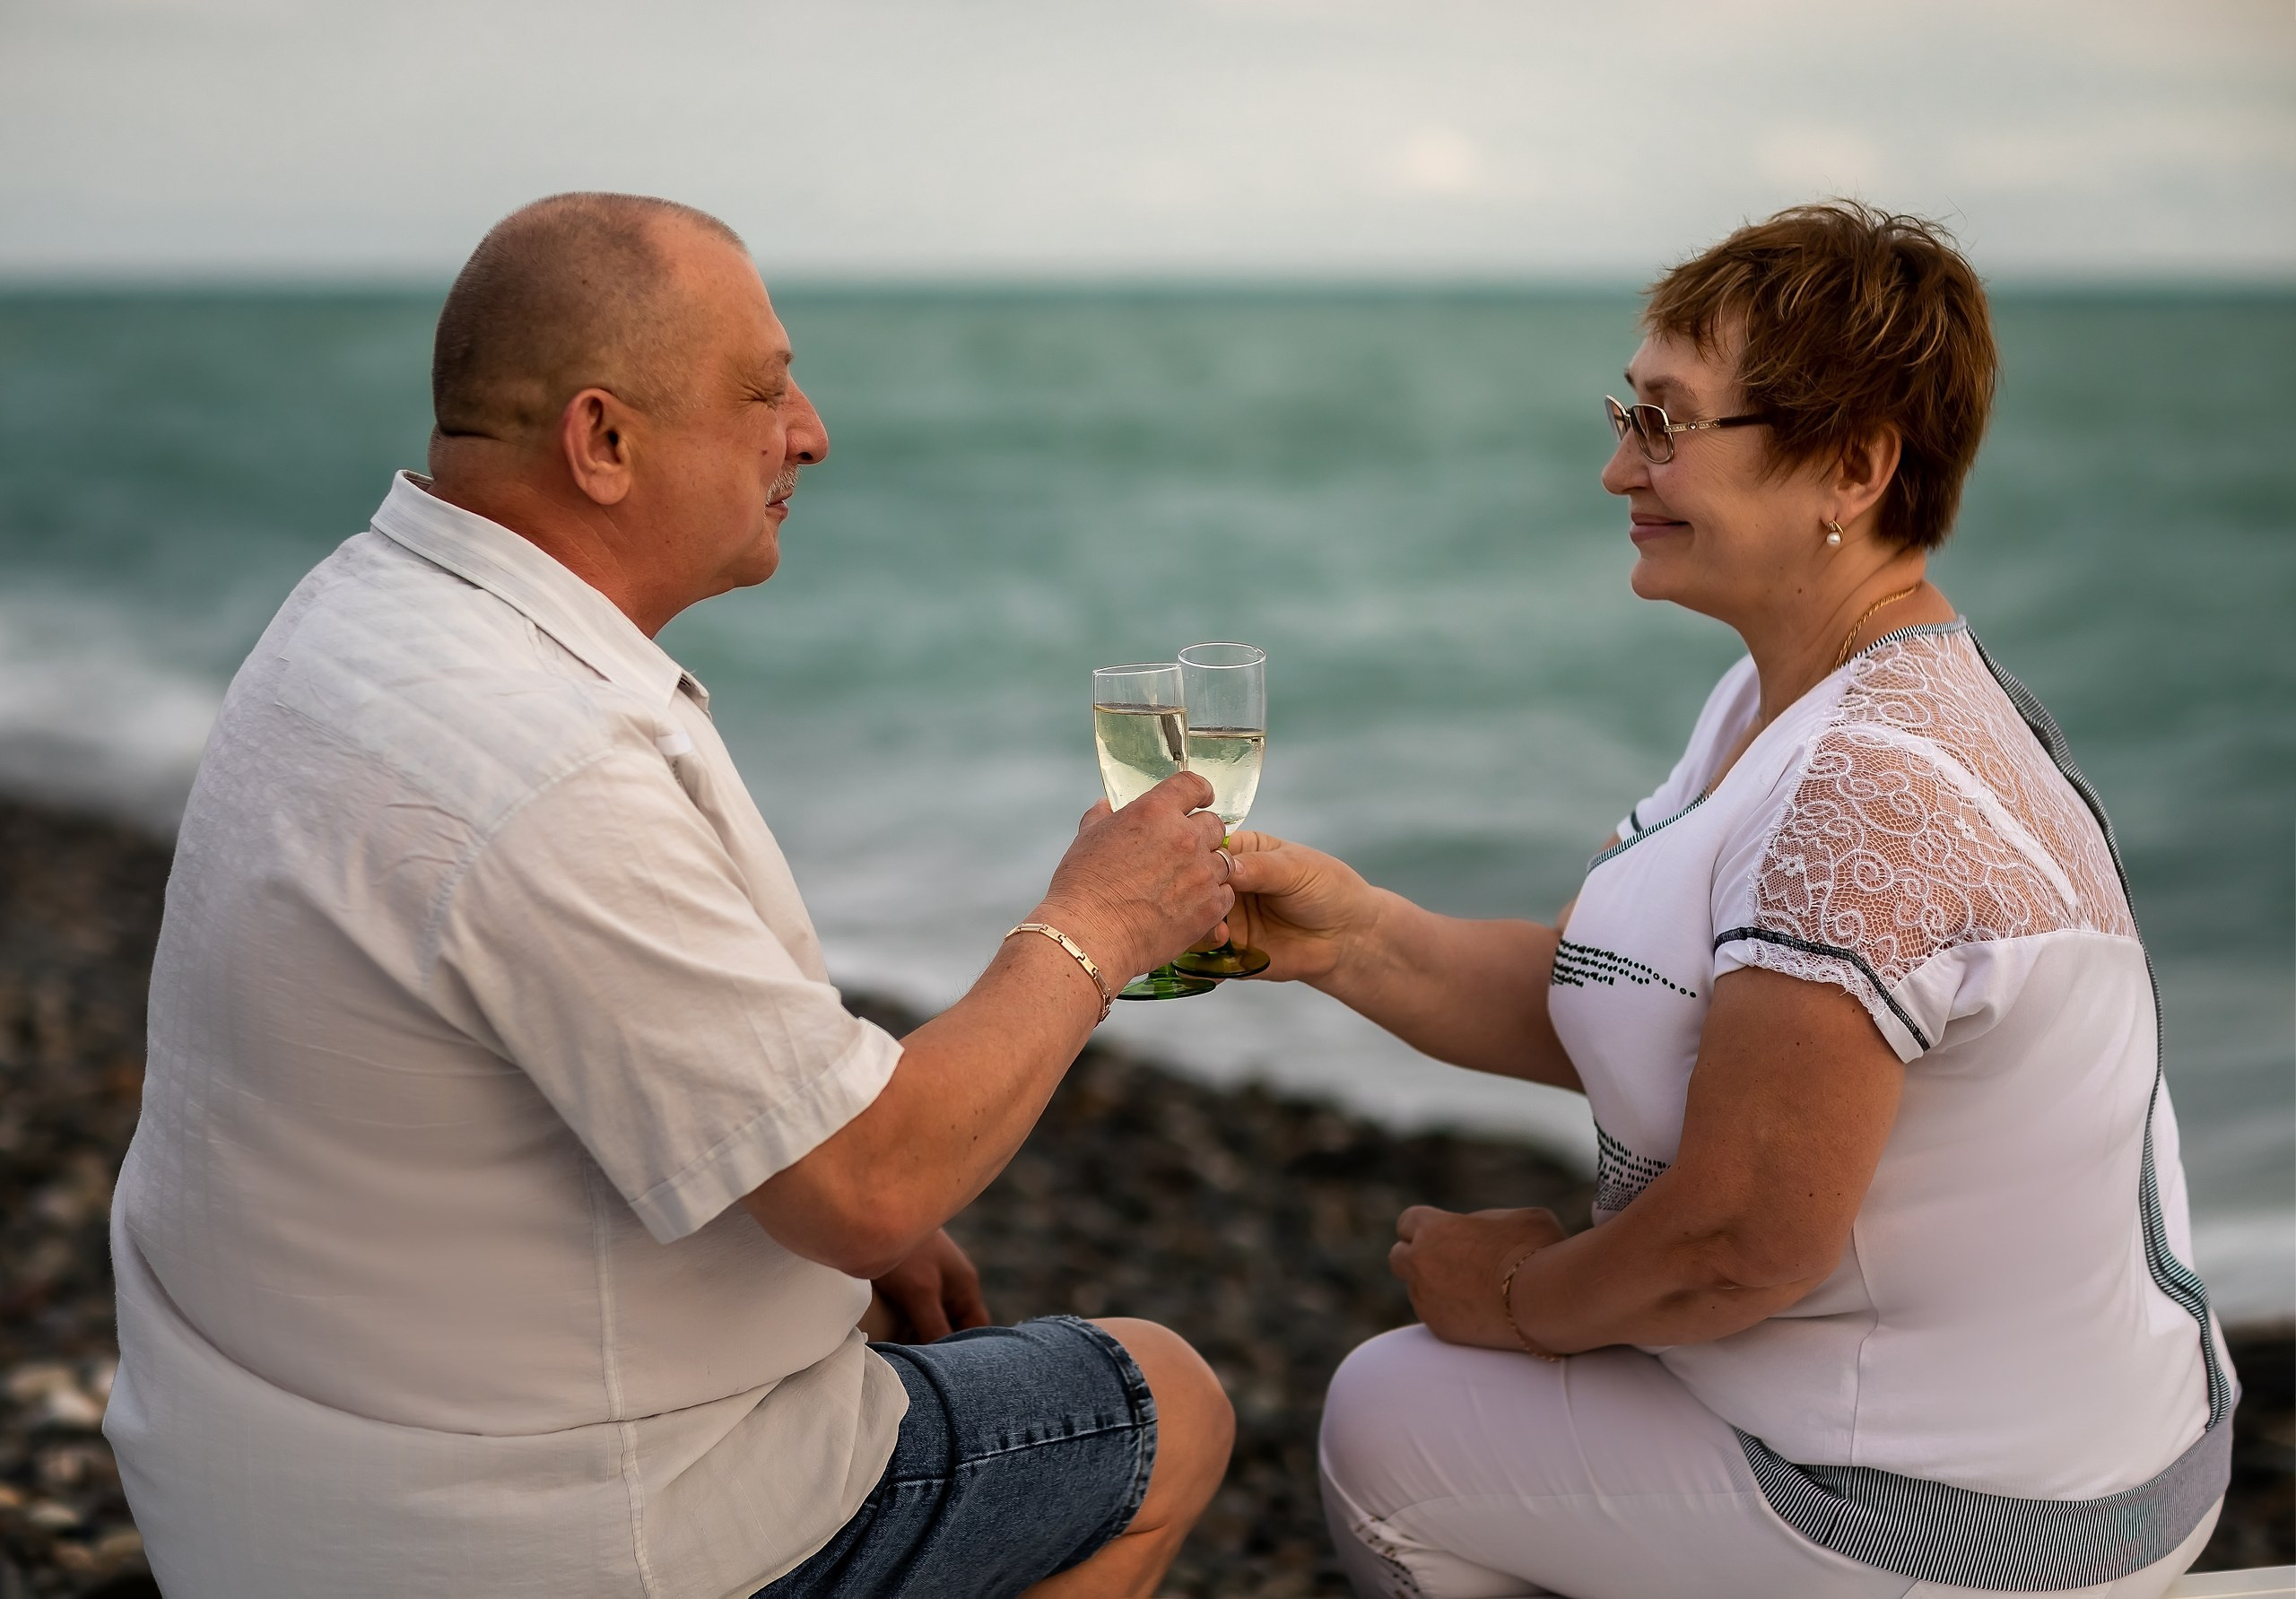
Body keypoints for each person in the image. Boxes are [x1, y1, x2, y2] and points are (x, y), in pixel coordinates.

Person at [105, 192, 1238, 1599]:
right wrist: (1100, 927)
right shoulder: (540, 757)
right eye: (764, 391)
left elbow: (598, 1060)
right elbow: (864, 1182)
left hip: (270, 1479)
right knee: (1164, 1403)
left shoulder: (366, 618)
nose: (811, 432)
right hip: (523, 1540)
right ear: (605, 442)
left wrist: (834, 1237)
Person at [1227, 202, 2232, 1598]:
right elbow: (1632, 1004)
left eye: (1667, 424)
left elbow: (1738, 1243)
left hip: (1986, 1518)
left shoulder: (1869, 790)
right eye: (1627, 413)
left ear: (1855, 465)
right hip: (2079, 1444)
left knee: (1386, 1418)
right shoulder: (1795, 700)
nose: (1616, 468)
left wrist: (1515, 1301)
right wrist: (1351, 939)